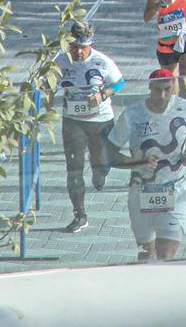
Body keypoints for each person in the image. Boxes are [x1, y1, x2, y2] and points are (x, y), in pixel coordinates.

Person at [104, 67, 186, 262]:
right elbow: (109, 152)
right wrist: (137, 162)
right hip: (141, 190)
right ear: (150, 87)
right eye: (158, 90)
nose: (162, 95)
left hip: (175, 188)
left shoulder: (183, 108)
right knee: (146, 255)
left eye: (167, 89)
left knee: (165, 254)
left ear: (174, 86)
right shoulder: (133, 113)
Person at [51, 23, 124, 234]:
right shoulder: (61, 62)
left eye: (83, 47)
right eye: (74, 47)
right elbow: (46, 84)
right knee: (74, 170)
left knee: (101, 161)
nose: (78, 52)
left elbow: (119, 83)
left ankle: (100, 172)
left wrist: (102, 95)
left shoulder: (102, 61)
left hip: (100, 120)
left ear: (91, 44)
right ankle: (79, 215)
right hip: (73, 121)